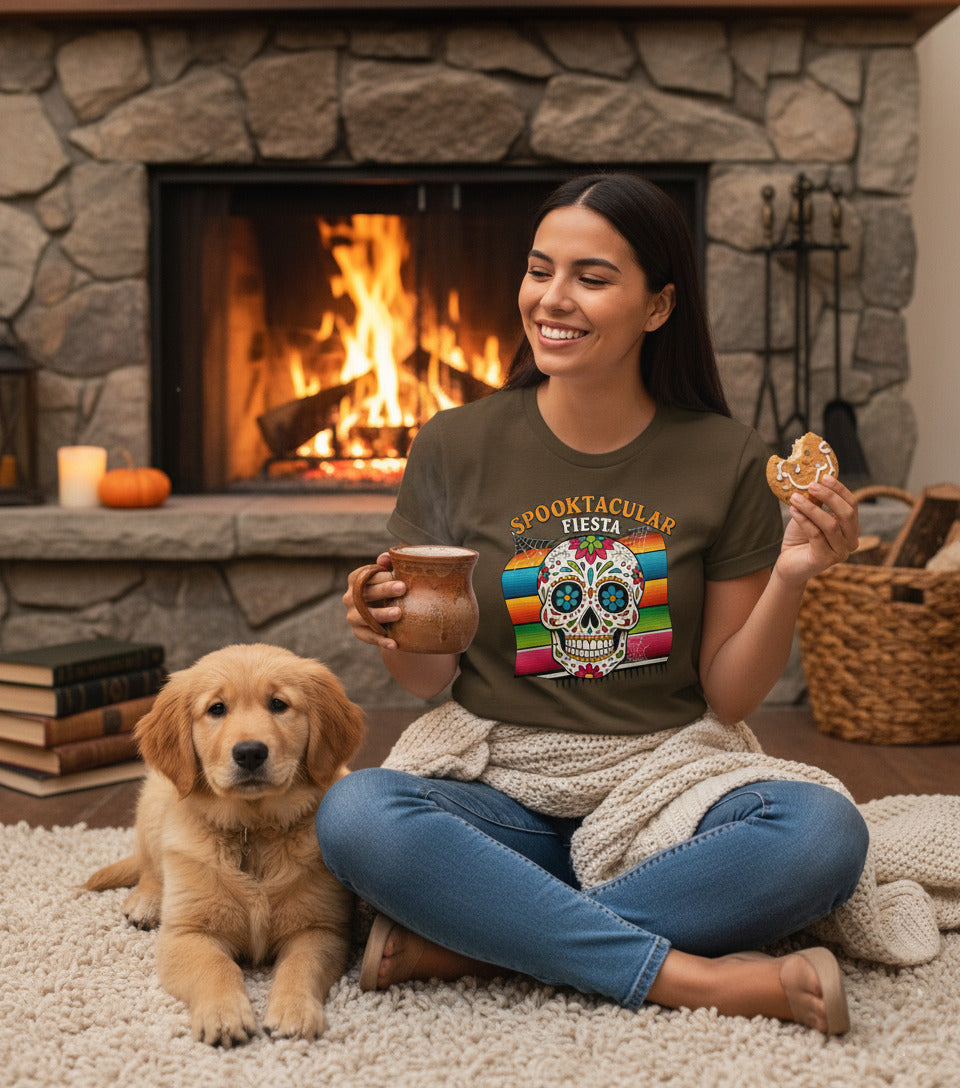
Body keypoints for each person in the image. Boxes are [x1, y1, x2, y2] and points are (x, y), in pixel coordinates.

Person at [316, 172, 869, 1035]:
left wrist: (793, 574)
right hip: (501, 791)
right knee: (356, 815)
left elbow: (727, 698)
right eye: (540, 270)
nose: (553, 299)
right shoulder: (457, 444)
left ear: (658, 307)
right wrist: (386, 623)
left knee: (824, 833)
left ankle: (478, 938)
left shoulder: (725, 458)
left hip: (664, 787)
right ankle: (699, 978)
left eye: (592, 277)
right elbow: (427, 680)